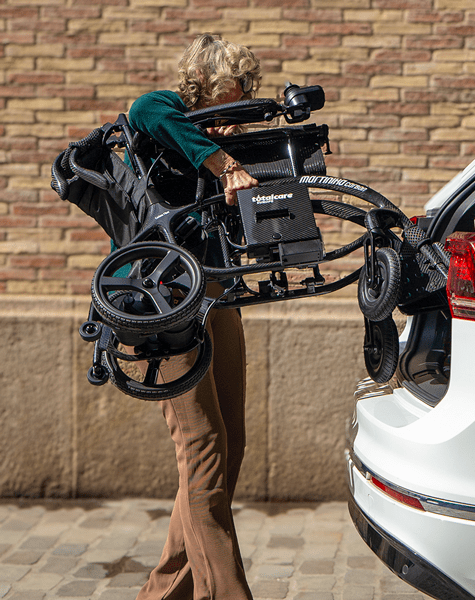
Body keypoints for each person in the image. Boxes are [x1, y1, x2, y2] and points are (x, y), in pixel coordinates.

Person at [128, 34, 261, 600]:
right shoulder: (163, 110)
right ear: (202, 81)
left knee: (231, 441)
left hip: (216, 289)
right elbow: (146, 112)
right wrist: (225, 162)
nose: (239, 98)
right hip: (163, 295)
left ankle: (164, 593)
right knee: (202, 444)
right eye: (231, 87)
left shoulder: (216, 135)